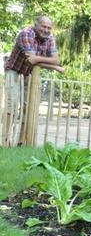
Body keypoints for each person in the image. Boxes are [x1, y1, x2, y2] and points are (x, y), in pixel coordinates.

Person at [3, 15, 64, 145]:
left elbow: (55, 60)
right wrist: (55, 67)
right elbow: (31, 60)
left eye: (49, 27)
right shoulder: (26, 34)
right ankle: (5, 139)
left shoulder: (50, 38)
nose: (46, 30)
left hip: (29, 73)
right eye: (43, 26)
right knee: (12, 105)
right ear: (36, 25)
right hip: (14, 69)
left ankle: (22, 141)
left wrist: (42, 60)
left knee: (28, 107)